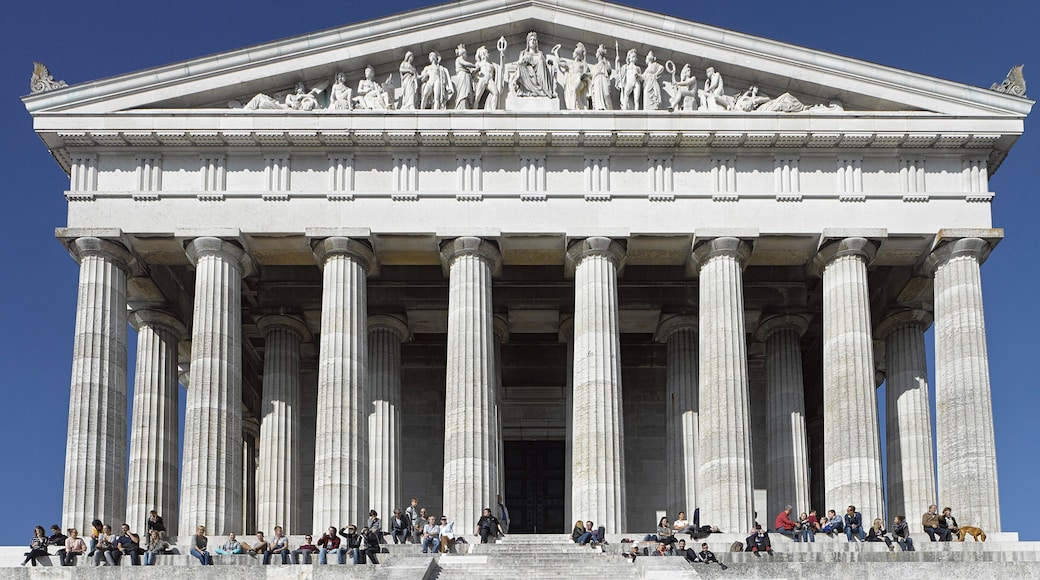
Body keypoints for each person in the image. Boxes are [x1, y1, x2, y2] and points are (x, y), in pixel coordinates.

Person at [512, 31, 554, 97]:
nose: (532, 41)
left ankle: (542, 89)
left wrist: (549, 63)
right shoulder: (523, 53)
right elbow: (519, 63)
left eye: (534, 40)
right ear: (528, 42)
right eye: (530, 39)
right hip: (526, 75)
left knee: (541, 60)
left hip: (539, 76)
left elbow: (544, 64)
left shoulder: (540, 54)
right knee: (521, 64)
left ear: (536, 43)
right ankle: (530, 89)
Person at [554, 43, 590, 110]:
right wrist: (556, 52)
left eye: (574, 52)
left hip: (580, 80)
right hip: (573, 81)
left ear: (577, 54)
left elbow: (587, 72)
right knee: (577, 96)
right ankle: (581, 106)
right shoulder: (570, 64)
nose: (572, 53)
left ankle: (573, 109)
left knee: (574, 90)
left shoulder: (582, 64)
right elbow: (559, 62)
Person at [472, 46, 500, 110]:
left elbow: (499, 70)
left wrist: (502, 58)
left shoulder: (492, 65)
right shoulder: (479, 63)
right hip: (482, 79)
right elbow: (474, 73)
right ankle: (474, 110)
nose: (486, 54)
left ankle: (493, 110)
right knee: (477, 96)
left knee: (496, 93)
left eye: (486, 53)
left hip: (490, 79)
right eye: (484, 53)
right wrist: (476, 72)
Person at [589, 45, 613, 111]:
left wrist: (604, 62)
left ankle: (608, 108)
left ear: (599, 53)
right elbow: (591, 74)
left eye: (597, 52)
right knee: (597, 95)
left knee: (606, 94)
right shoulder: (595, 66)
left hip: (603, 78)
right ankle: (599, 108)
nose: (595, 54)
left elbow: (609, 71)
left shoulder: (606, 62)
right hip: (596, 80)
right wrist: (585, 75)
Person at [452, 44, 476, 109]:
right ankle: (462, 107)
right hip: (462, 77)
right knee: (463, 93)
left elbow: (470, 71)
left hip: (466, 77)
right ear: (462, 54)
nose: (466, 56)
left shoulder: (466, 69)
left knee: (467, 92)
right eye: (466, 54)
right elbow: (466, 64)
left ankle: (467, 106)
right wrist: (474, 65)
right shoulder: (459, 59)